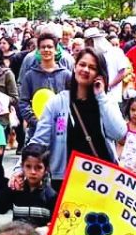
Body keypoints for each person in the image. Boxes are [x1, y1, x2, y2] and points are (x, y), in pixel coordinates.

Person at [29, 48, 126, 191]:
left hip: (102, 182)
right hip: (66, 180)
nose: (85, 70)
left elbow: (119, 133)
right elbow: (39, 141)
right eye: (82, 64)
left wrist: (101, 96)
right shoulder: (57, 103)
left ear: (99, 74)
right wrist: (20, 168)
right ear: (75, 67)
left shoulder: (106, 101)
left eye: (92, 67)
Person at [17, 31, 73, 141]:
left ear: (56, 50)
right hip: (36, 130)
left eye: (49, 47)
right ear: (38, 50)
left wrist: (60, 124)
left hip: (61, 130)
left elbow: (72, 103)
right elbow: (23, 102)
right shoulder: (30, 75)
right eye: (43, 47)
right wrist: (37, 122)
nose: (46, 50)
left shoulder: (66, 75)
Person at [0, 145, 59, 226]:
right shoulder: (16, 190)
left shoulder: (51, 196)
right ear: (22, 167)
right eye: (28, 166)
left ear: (46, 169)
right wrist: (10, 188)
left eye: (38, 167)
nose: (33, 172)